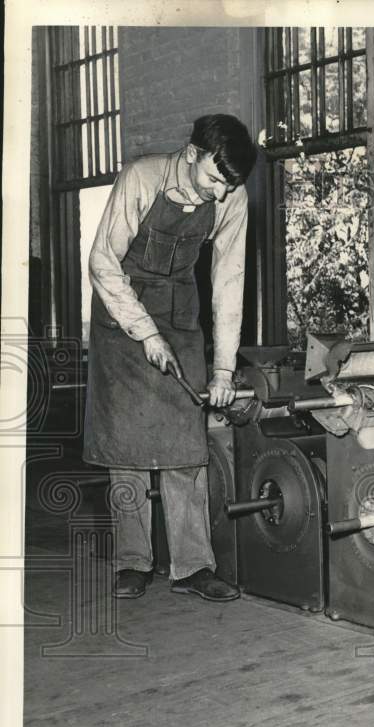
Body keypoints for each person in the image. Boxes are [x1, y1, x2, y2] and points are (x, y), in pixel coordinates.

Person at [84, 114, 257, 601]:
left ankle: (194, 567)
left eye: (229, 186)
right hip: (121, 316)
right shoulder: (142, 177)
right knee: (127, 447)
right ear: (192, 154)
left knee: (187, 444)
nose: (220, 194)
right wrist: (144, 332)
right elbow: (102, 261)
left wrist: (223, 370)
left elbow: (229, 282)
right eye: (214, 180)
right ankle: (132, 562)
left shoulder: (231, 196)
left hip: (180, 317)